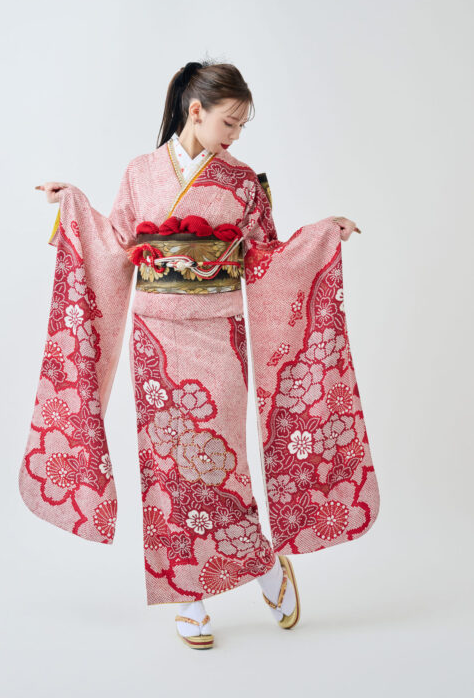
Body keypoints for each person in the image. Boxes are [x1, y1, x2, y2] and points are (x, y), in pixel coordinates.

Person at [26, 60, 375, 650]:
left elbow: (267, 258)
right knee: (166, 469)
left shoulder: (242, 183)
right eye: (229, 122)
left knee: (221, 463)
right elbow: (115, 245)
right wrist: (75, 205)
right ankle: (189, 597)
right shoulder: (140, 173)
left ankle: (265, 566)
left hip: (219, 335)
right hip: (155, 337)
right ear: (196, 111)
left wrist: (321, 235)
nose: (234, 135)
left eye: (240, 126)